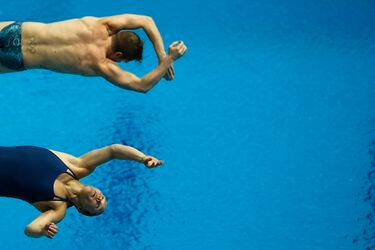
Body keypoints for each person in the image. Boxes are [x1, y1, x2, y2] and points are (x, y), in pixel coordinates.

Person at [0, 144, 163, 238]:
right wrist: (143, 158)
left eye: (98, 204)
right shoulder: (78, 166)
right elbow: (113, 151)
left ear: (81, 208)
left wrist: (42, 230)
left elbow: (30, 229)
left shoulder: (57, 207)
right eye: (103, 197)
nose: (99, 198)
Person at [0, 14, 188, 92]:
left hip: (17, 31)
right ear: (119, 56)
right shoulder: (100, 65)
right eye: (121, 62)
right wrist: (169, 60)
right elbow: (141, 86)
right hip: (18, 58)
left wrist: (162, 54)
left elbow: (146, 20)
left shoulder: (101, 24)